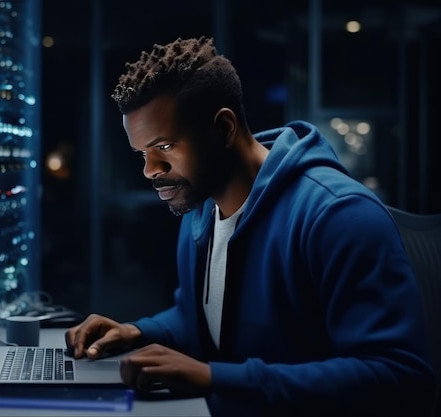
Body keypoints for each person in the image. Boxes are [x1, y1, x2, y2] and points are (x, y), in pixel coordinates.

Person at [64, 36, 436, 416]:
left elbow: (400, 375)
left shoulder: (340, 216)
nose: (149, 170)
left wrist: (216, 378)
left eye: (163, 147)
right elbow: (204, 317)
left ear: (223, 128)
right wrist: (139, 332)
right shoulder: (199, 207)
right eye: (142, 153)